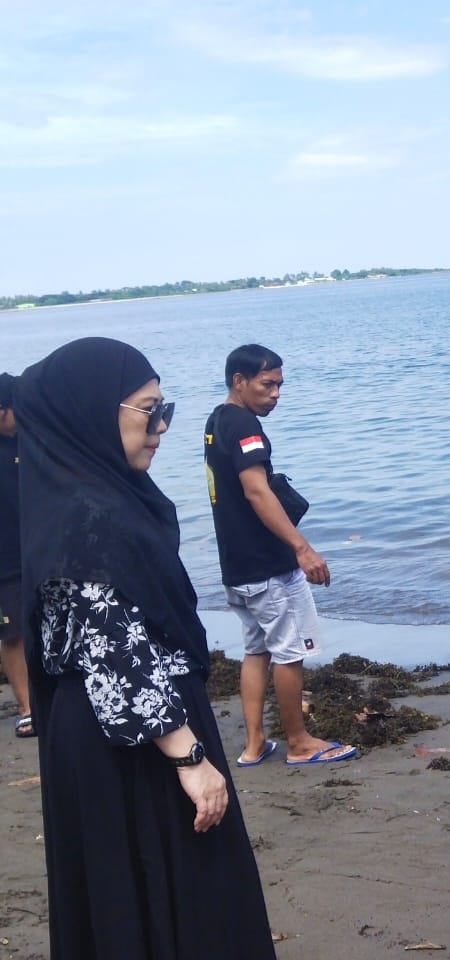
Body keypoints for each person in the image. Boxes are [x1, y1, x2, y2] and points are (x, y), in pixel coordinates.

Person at [14, 337, 275, 958]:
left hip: (134, 721)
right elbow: (108, 650)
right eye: (147, 411)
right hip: (133, 738)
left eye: (167, 411)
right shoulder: (87, 517)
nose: (160, 428)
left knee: (146, 897)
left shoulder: (82, 496)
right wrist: (189, 759)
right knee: (178, 892)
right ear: (90, 413)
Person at [205, 344, 355, 767]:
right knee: (290, 651)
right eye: (267, 384)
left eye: (280, 385)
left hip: (237, 567)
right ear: (239, 381)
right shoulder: (245, 426)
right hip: (267, 568)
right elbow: (256, 490)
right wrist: (302, 548)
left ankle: (254, 746)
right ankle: (299, 742)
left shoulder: (217, 420)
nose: (275, 394)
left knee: (257, 650)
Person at [0, 373, 33, 737]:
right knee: (12, 633)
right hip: (4, 557)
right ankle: (26, 706)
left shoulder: (29, 440)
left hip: (36, 547)